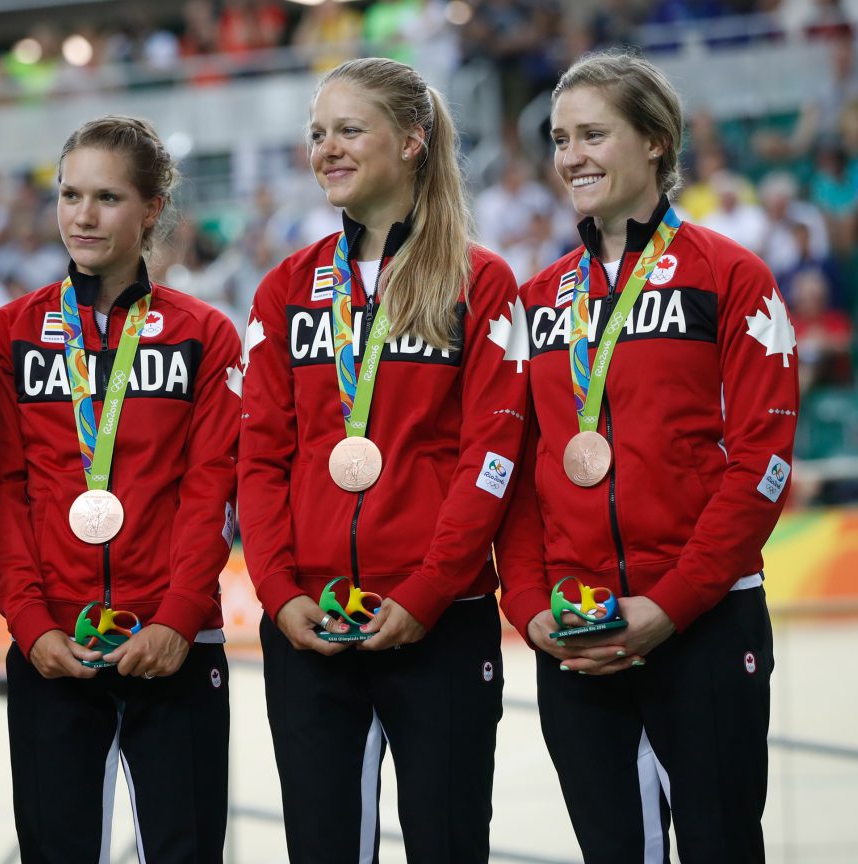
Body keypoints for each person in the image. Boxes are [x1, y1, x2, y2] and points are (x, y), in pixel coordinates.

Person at [496, 50, 798, 863]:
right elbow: (517, 476)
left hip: (702, 621)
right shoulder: (535, 301)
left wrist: (671, 603)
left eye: (594, 134)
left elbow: (763, 463)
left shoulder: (731, 277)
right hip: (577, 632)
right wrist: (528, 608)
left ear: (657, 141)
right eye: (561, 140)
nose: (572, 158)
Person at [237, 57, 528, 862]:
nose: (327, 147)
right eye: (317, 133)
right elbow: (259, 458)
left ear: (411, 141)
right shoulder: (283, 291)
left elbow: (490, 458)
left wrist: (429, 592)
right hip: (309, 625)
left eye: (348, 130)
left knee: (448, 844)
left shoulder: (481, 281)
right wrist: (277, 593)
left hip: (440, 621)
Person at [0, 115, 239, 862]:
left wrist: (178, 618)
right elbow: (5, 493)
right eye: (69, 195)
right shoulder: (6, 336)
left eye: (107, 198)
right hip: (52, 649)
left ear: (152, 209)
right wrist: (31, 624)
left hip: (177, 644)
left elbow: (209, 491)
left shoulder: (204, 335)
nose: (82, 216)